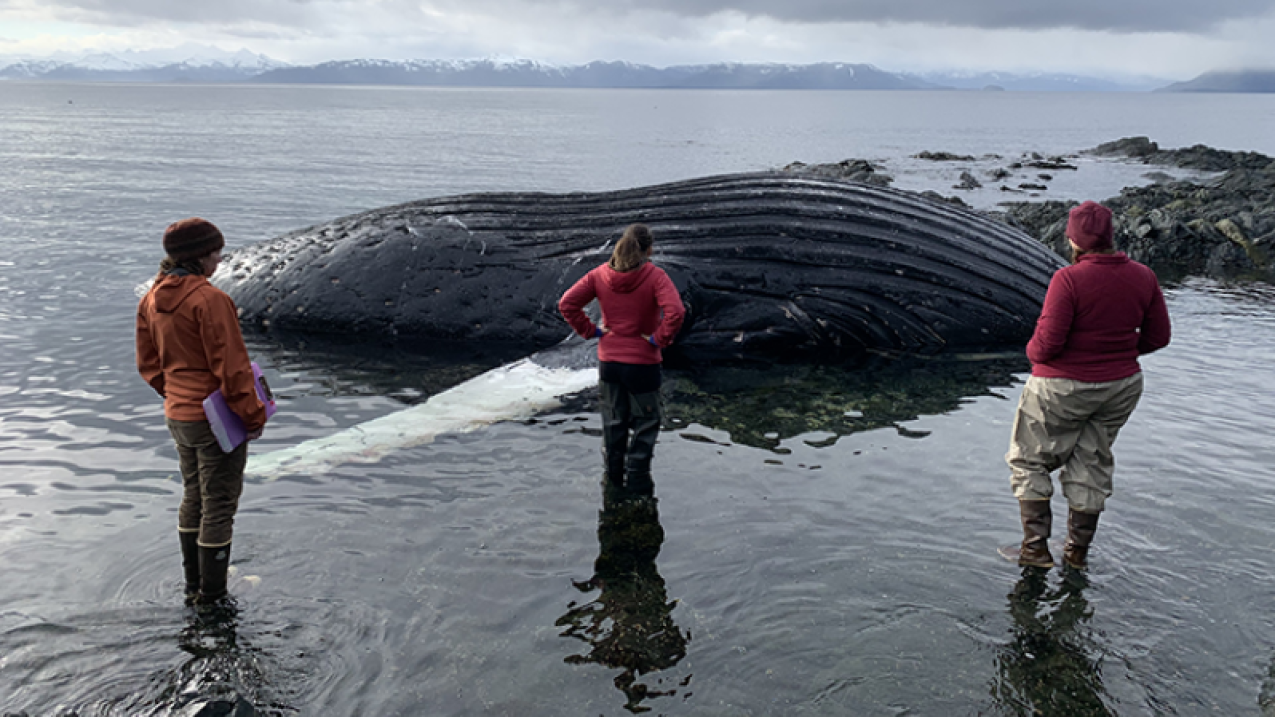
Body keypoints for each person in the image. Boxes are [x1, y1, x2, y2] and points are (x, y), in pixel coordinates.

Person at [1005, 201, 1171, 570]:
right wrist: (1121, 352)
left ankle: (1035, 549)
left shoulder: (1068, 279)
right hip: (1121, 386)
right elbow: (1159, 337)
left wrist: (1031, 352)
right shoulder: (1144, 276)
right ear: (1111, 237)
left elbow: (1046, 346)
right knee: (1092, 460)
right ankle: (1076, 554)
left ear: (1073, 241)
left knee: (1029, 459)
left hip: (1061, 387)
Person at [136, 218, 267, 605]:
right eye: (215, 252)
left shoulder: (151, 298)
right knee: (220, 504)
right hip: (215, 419)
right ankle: (213, 597)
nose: (220, 259)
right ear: (199, 256)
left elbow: (148, 365)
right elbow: (232, 368)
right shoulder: (210, 300)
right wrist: (253, 416)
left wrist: (176, 394)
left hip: (178, 414)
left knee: (194, 495)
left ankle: (193, 585)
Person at [559, 224, 685, 494]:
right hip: (643, 363)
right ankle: (638, 485)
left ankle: (612, 484)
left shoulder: (599, 275)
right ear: (649, 249)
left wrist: (590, 330)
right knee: (646, 423)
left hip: (609, 363)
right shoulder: (655, 276)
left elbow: (567, 303)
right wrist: (658, 339)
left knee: (614, 422)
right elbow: (675, 312)